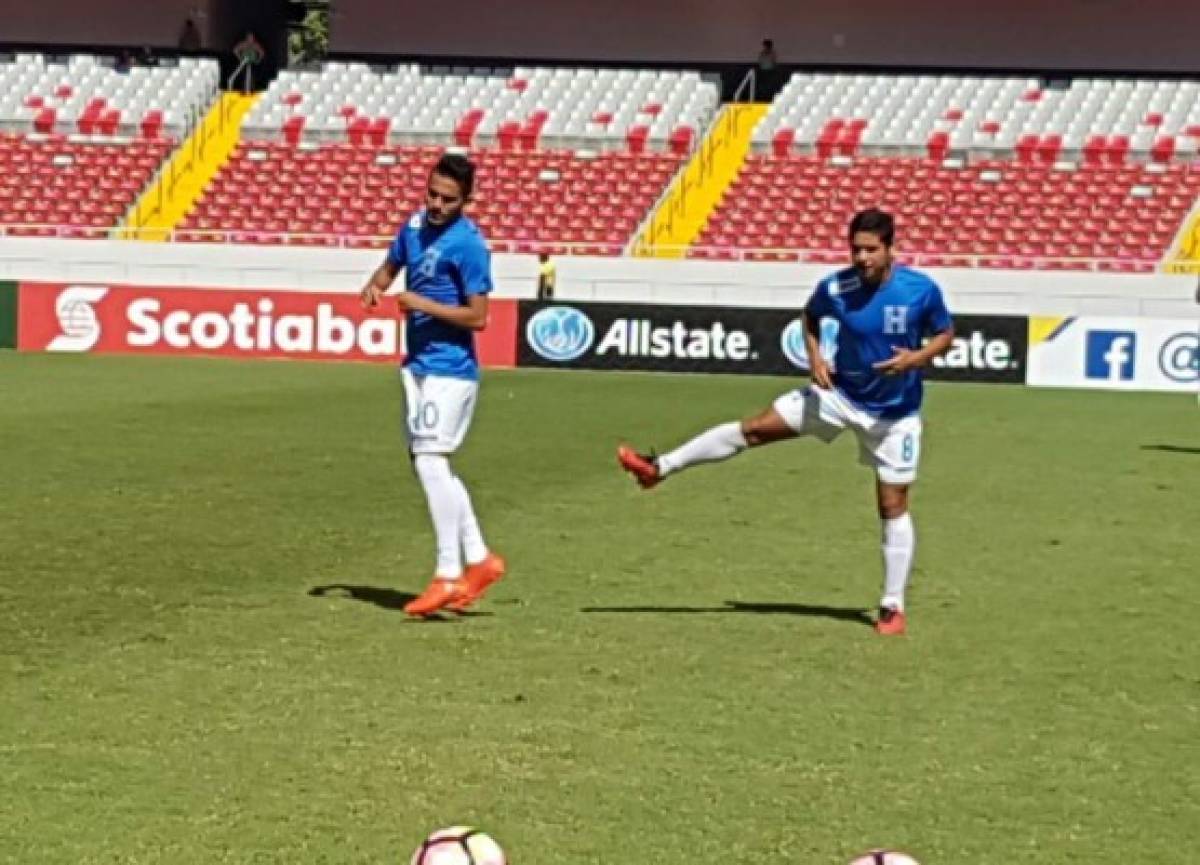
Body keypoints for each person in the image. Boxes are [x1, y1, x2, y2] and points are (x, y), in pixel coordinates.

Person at [617, 209, 954, 636]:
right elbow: (811, 317)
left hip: (894, 416)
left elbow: (945, 335)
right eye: (855, 249)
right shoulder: (836, 286)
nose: (862, 258)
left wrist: (915, 358)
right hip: (839, 395)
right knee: (755, 428)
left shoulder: (920, 291)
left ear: (891, 249)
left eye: (871, 250)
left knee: (892, 505)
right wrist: (815, 357)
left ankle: (892, 605)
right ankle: (659, 467)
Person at [359, 153, 506, 617]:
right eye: (432, 194)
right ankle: (479, 558)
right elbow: (392, 263)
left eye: (449, 199)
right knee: (431, 462)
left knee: (429, 459)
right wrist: (375, 284)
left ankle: (447, 573)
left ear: (467, 200)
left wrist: (421, 302)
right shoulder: (415, 225)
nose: (437, 204)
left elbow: (479, 317)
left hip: (450, 368)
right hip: (418, 364)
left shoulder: (469, 245)